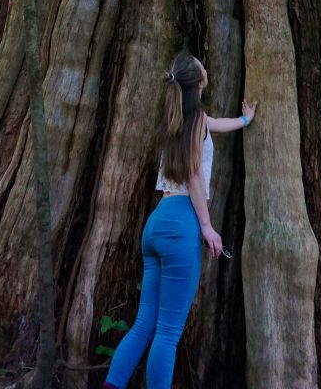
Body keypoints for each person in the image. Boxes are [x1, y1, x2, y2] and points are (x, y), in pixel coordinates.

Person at [103, 50, 258, 389]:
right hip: (182, 225)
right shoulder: (196, 119)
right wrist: (206, 226)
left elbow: (217, 125)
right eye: (202, 67)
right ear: (198, 80)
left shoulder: (176, 120)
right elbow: (193, 174)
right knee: (168, 333)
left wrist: (245, 121)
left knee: (143, 326)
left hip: (157, 223)